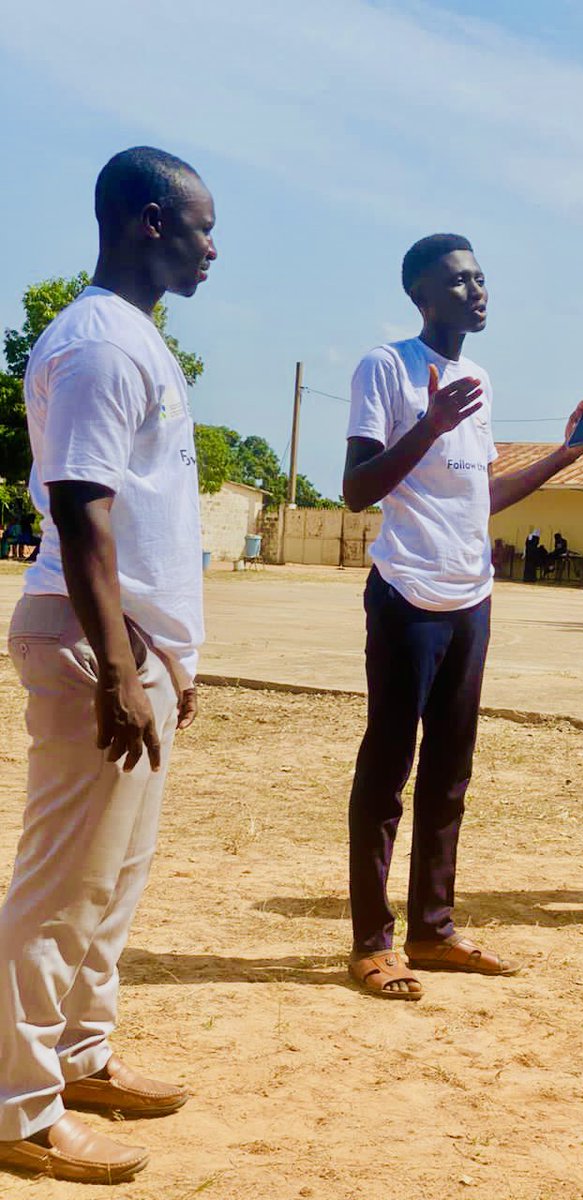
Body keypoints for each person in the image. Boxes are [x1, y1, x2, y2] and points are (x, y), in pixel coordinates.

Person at [0, 146, 216, 1184]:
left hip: (134, 643)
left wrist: (169, 654)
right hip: (91, 640)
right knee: (59, 888)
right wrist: (126, 670)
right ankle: (18, 1109)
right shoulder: (97, 343)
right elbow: (81, 506)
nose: (215, 248)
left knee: (111, 883)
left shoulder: (139, 339)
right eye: (202, 227)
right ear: (149, 222)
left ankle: (79, 1060)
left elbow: (147, 518)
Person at [343, 233, 583, 998]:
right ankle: (373, 941)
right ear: (420, 296)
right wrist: (426, 425)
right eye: (457, 281)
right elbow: (358, 489)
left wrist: (568, 455)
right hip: (407, 595)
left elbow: (477, 497)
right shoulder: (385, 366)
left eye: (480, 278)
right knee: (388, 767)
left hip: (471, 600)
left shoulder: (479, 378)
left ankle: (433, 931)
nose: (476, 291)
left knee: (450, 773)